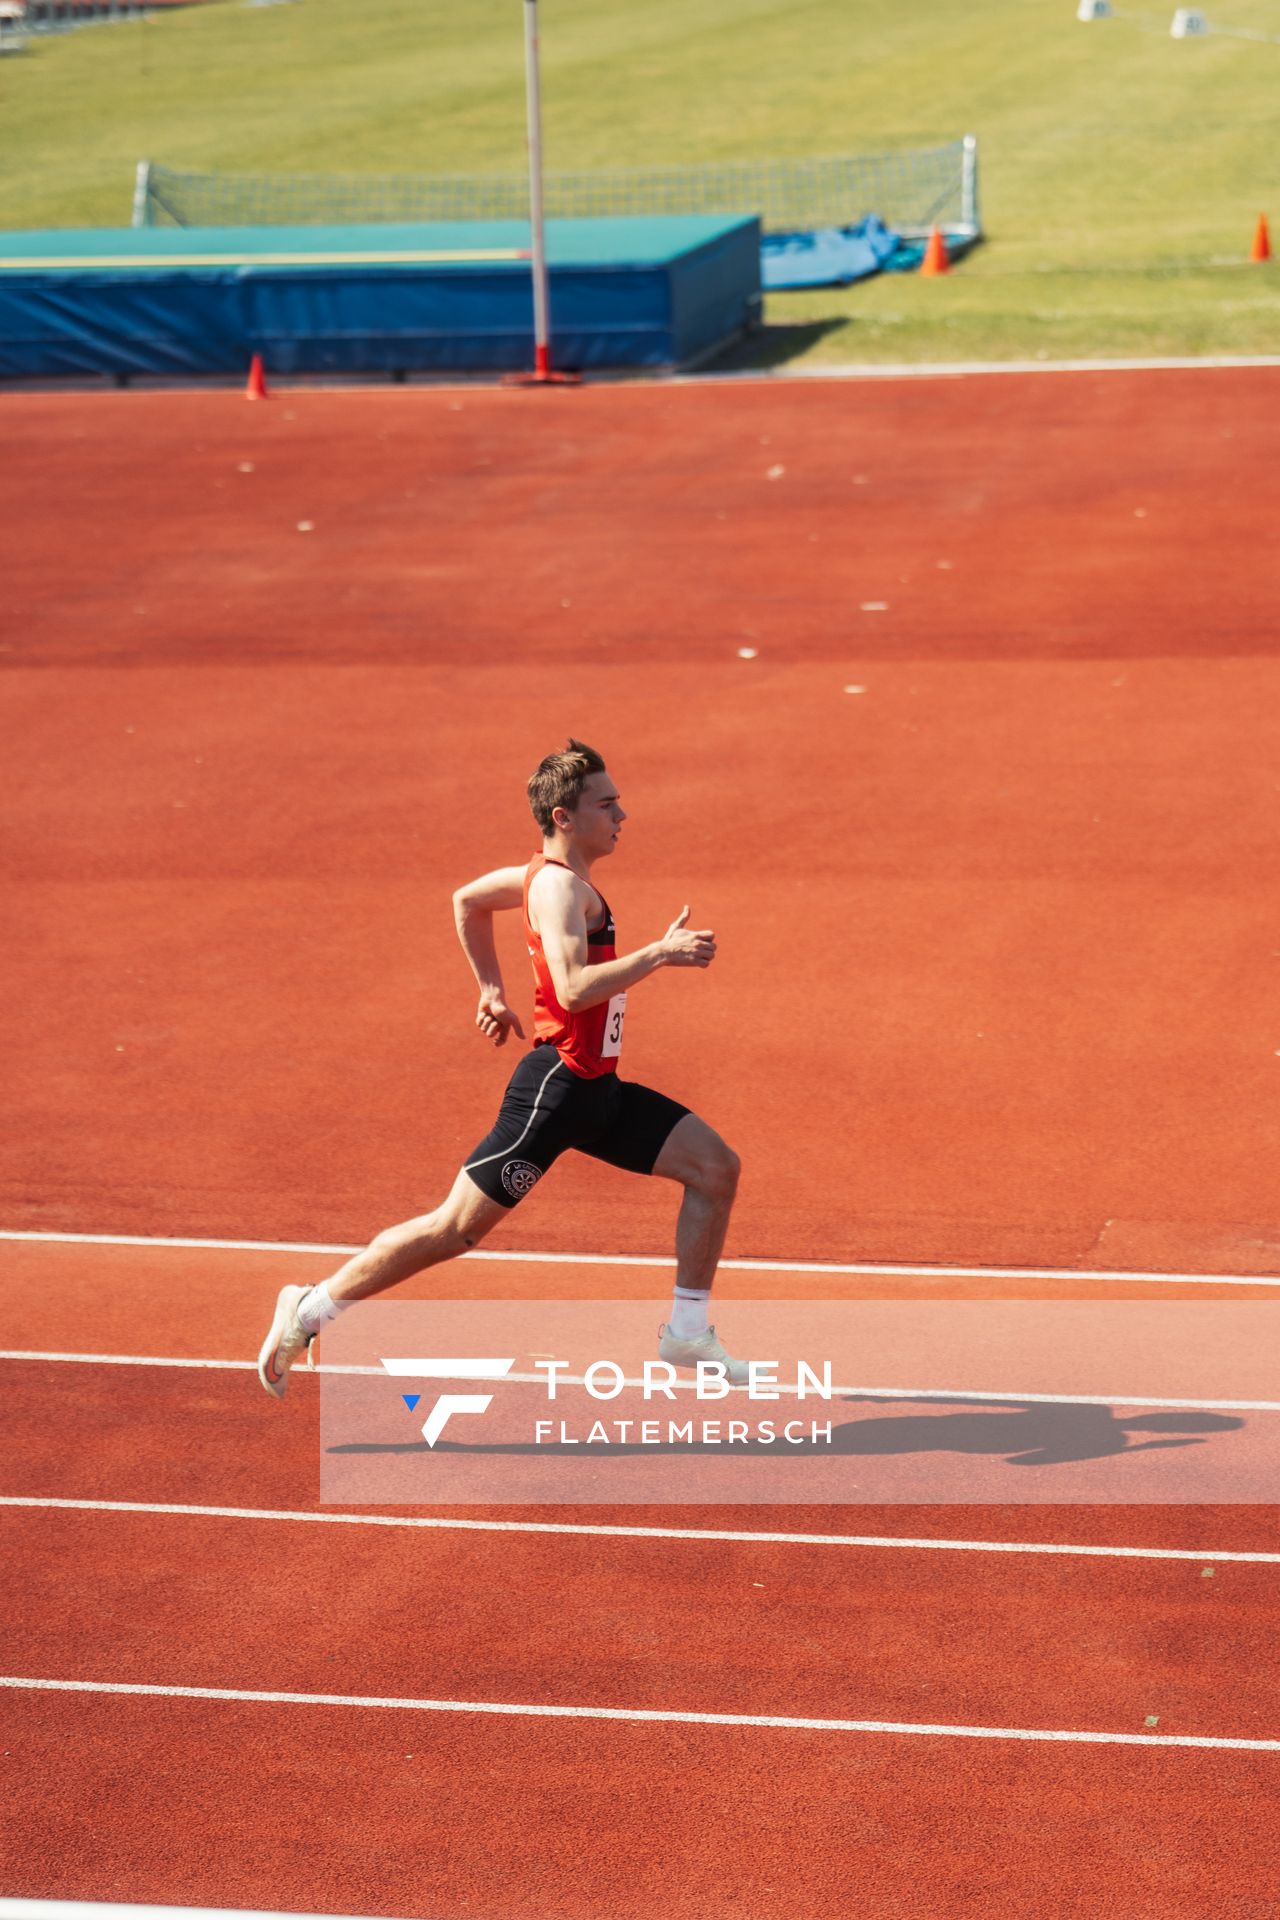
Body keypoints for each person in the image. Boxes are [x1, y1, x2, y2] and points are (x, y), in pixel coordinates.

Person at [258, 739, 746, 1398]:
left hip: (598, 1091)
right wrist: (659, 953)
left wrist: (490, 988)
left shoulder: (536, 877)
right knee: (453, 1230)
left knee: (714, 1169)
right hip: (558, 1088)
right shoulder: (559, 890)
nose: (621, 815)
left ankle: (687, 1333)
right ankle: (309, 1309)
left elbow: (467, 900)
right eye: (607, 804)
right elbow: (573, 990)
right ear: (565, 818)